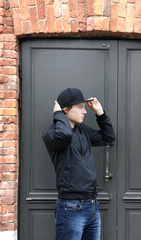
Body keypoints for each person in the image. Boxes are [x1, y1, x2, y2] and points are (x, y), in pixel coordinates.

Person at [42, 88, 115, 240]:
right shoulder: (52, 133)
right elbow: (65, 135)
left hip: (92, 206)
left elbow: (108, 138)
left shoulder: (82, 130)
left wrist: (100, 113)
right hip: (71, 208)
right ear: (66, 109)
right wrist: (58, 114)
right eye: (80, 107)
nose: (85, 112)